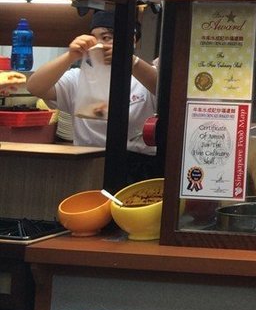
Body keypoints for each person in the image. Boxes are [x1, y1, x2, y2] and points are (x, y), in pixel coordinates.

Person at [26, 10, 159, 182]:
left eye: (106, 38)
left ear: (132, 41)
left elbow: (165, 91)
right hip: (87, 165)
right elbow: (35, 87)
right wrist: (71, 55)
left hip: (137, 168)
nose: (99, 45)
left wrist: (131, 61)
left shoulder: (143, 77)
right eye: (93, 39)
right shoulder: (77, 78)